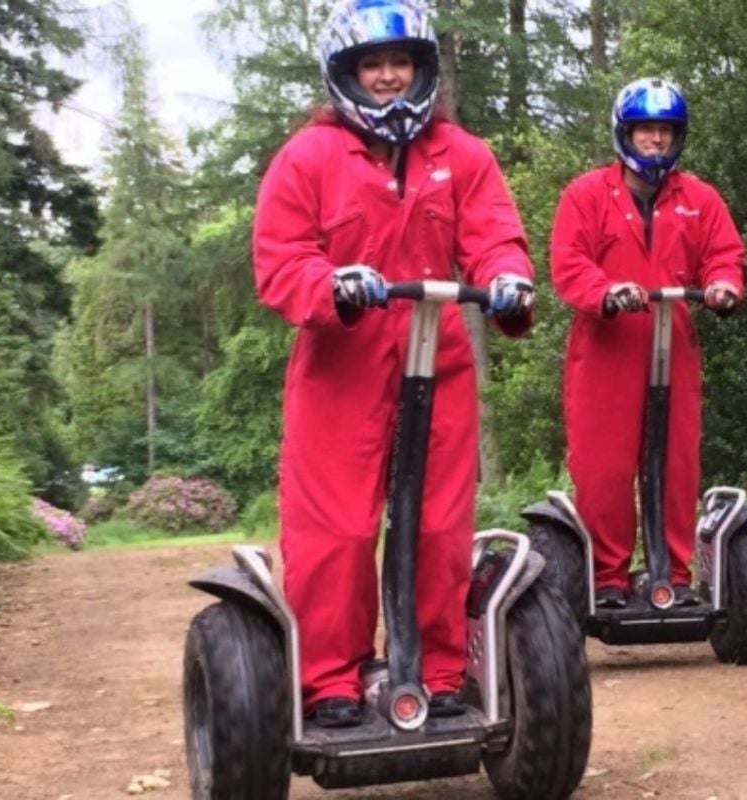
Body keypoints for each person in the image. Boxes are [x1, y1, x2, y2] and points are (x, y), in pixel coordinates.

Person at [252, 0, 535, 728]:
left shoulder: (463, 155)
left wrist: (507, 280)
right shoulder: (309, 157)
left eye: (399, 63)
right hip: (341, 365)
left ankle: (438, 672)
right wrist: (331, 287)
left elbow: (496, 237)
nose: (385, 77)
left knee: (440, 525)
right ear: (346, 73)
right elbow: (280, 261)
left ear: (422, 70)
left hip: (437, 359)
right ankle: (330, 681)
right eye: (371, 65)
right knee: (337, 530)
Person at [549, 77, 746, 609]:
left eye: (665, 131)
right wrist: (605, 292)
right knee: (603, 467)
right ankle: (608, 579)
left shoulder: (698, 198)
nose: (655, 140)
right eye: (645, 131)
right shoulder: (586, 195)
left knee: (675, 460)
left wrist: (725, 284)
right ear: (625, 133)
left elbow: (723, 254)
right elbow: (568, 264)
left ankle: (674, 575)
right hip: (607, 346)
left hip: (673, 344)